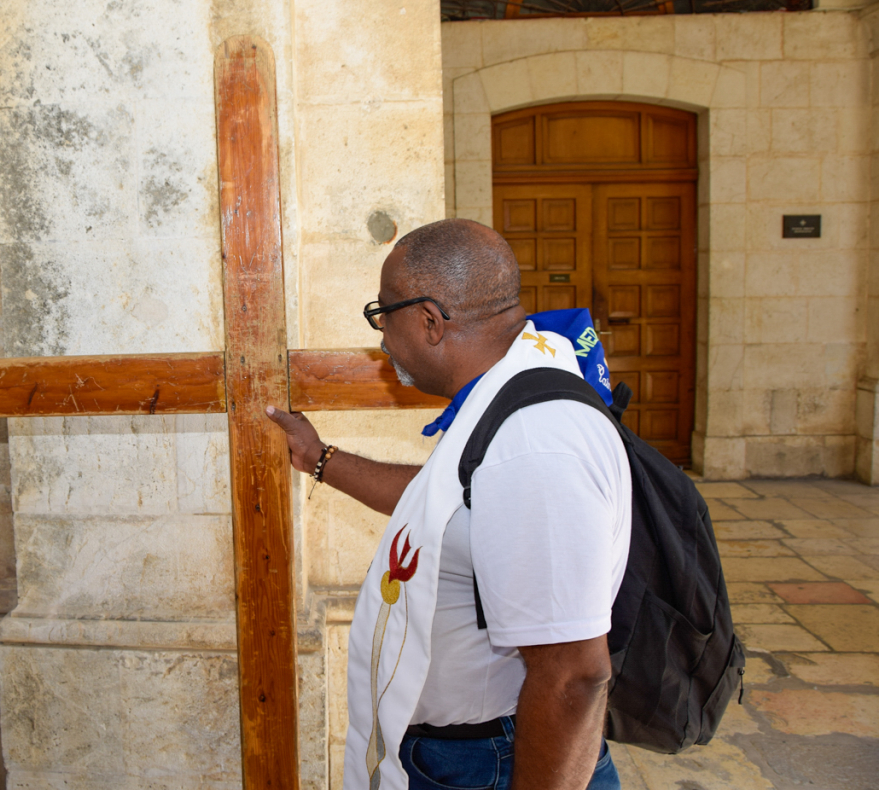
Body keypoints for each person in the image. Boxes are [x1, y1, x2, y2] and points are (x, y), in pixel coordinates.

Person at [267, 219, 631, 790]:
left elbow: (572, 676)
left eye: (383, 314)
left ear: (430, 321)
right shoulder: (504, 394)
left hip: (494, 763)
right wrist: (319, 458)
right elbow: (449, 502)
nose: (383, 339)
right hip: (467, 755)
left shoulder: (533, 442)